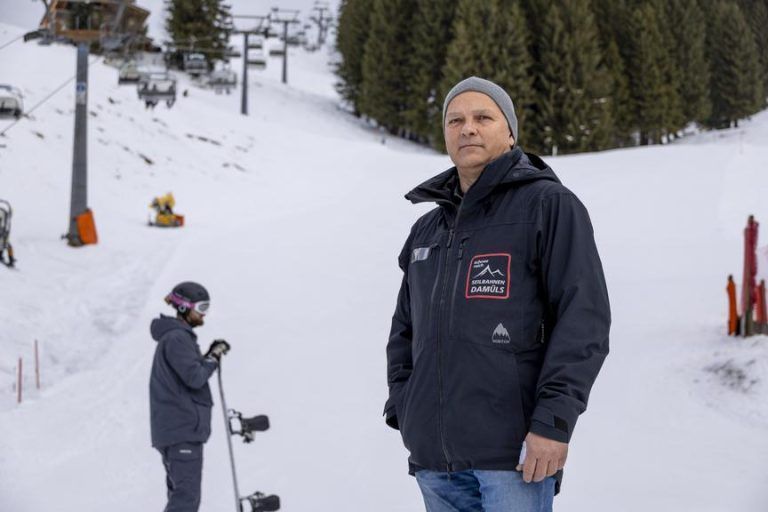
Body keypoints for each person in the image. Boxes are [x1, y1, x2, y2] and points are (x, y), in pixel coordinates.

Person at [384, 77, 611, 511]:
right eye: (455, 120)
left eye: (482, 117)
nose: (467, 128)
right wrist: (405, 407)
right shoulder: (427, 229)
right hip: (434, 460)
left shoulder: (548, 206)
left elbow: (584, 320)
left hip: (515, 457)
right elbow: (404, 330)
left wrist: (554, 422)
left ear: (510, 132)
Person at [149, 281, 230, 512]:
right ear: (184, 307)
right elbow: (195, 377)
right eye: (201, 307)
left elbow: (190, 372)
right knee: (186, 500)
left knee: (181, 497)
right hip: (181, 431)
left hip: (177, 431)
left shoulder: (176, 338)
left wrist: (208, 358)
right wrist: (213, 358)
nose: (204, 314)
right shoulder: (177, 338)